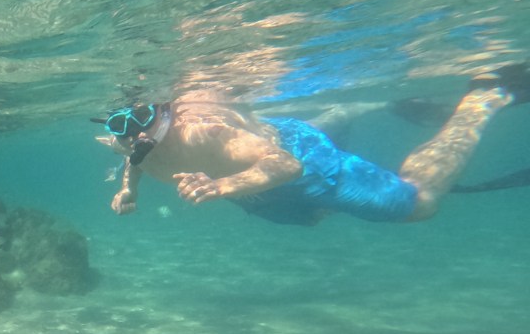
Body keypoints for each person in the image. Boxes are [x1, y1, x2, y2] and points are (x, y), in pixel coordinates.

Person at [95, 66, 527, 226]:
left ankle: (484, 97)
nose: (132, 135)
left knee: (418, 203)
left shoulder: (213, 137)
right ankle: (349, 111)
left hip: (303, 165)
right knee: (310, 219)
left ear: (165, 111)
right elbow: (136, 160)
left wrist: (222, 187)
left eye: (142, 119)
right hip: (259, 185)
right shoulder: (134, 146)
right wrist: (127, 188)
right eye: (121, 126)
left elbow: (287, 167)